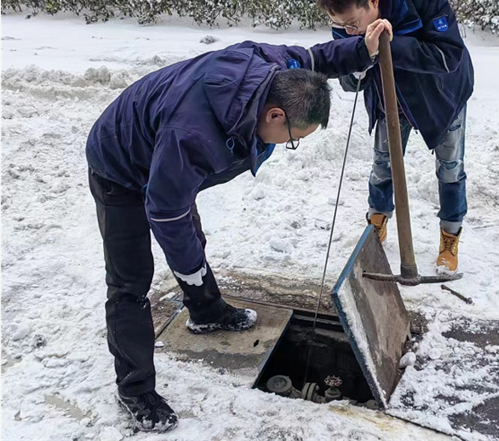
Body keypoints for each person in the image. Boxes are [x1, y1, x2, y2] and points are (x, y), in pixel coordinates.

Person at [85, 23, 390, 433]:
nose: (288, 144)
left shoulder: (275, 68)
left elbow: (316, 58)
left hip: (163, 154)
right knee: (130, 280)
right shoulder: (191, 136)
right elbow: (166, 212)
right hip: (119, 165)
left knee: (191, 240)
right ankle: (134, 388)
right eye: (292, 138)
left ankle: (207, 312)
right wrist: (187, 266)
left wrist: (362, 48)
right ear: (275, 114)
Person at [317, 0, 474, 275]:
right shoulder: (345, 18)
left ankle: (449, 235)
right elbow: (348, 79)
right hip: (389, 101)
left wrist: (390, 45)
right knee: (383, 164)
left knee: (450, 168)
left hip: (440, 97)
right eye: (340, 26)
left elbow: (449, 55)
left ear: (372, 2)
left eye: (351, 24)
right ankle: (377, 220)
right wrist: (362, 56)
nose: (347, 31)